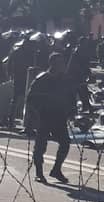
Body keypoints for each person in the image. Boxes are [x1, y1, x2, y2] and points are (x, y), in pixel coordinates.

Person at [25, 52, 79, 183]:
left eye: (63, 63)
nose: (63, 66)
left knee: (65, 143)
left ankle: (56, 169)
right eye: (60, 63)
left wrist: (72, 111)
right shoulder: (42, 79)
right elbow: (31, 98)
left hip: (59, 116)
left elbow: (71, 97)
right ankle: (39, 172)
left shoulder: (65, 79)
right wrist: (34, 115)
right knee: (40, 146)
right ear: (52, 64)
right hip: (44, 116)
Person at [3, 31, 40, 126]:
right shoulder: (21, 51)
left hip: (28, 77)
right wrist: (10, 74)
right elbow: (9, 63)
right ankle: (10, 119)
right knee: (17, 99)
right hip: (21, 77)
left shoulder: (32, 51)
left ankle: (23, 121)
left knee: (22, 99)